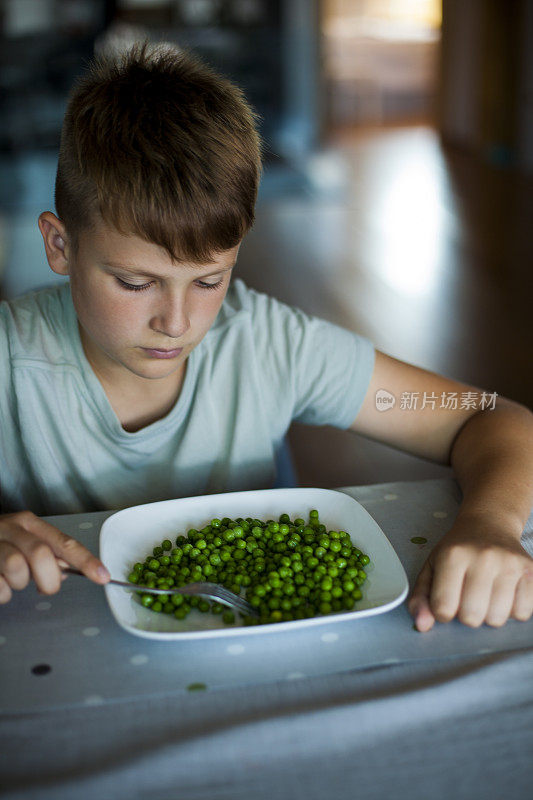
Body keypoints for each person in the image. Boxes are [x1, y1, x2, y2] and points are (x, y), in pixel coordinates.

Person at [1, 41, 532, 633]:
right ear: (59, 245)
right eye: (134, 282)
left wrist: (490, 522)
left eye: (209, 280)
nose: (177, 323)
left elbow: (485, 417)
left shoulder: (273, 345)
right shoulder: (9, 364)